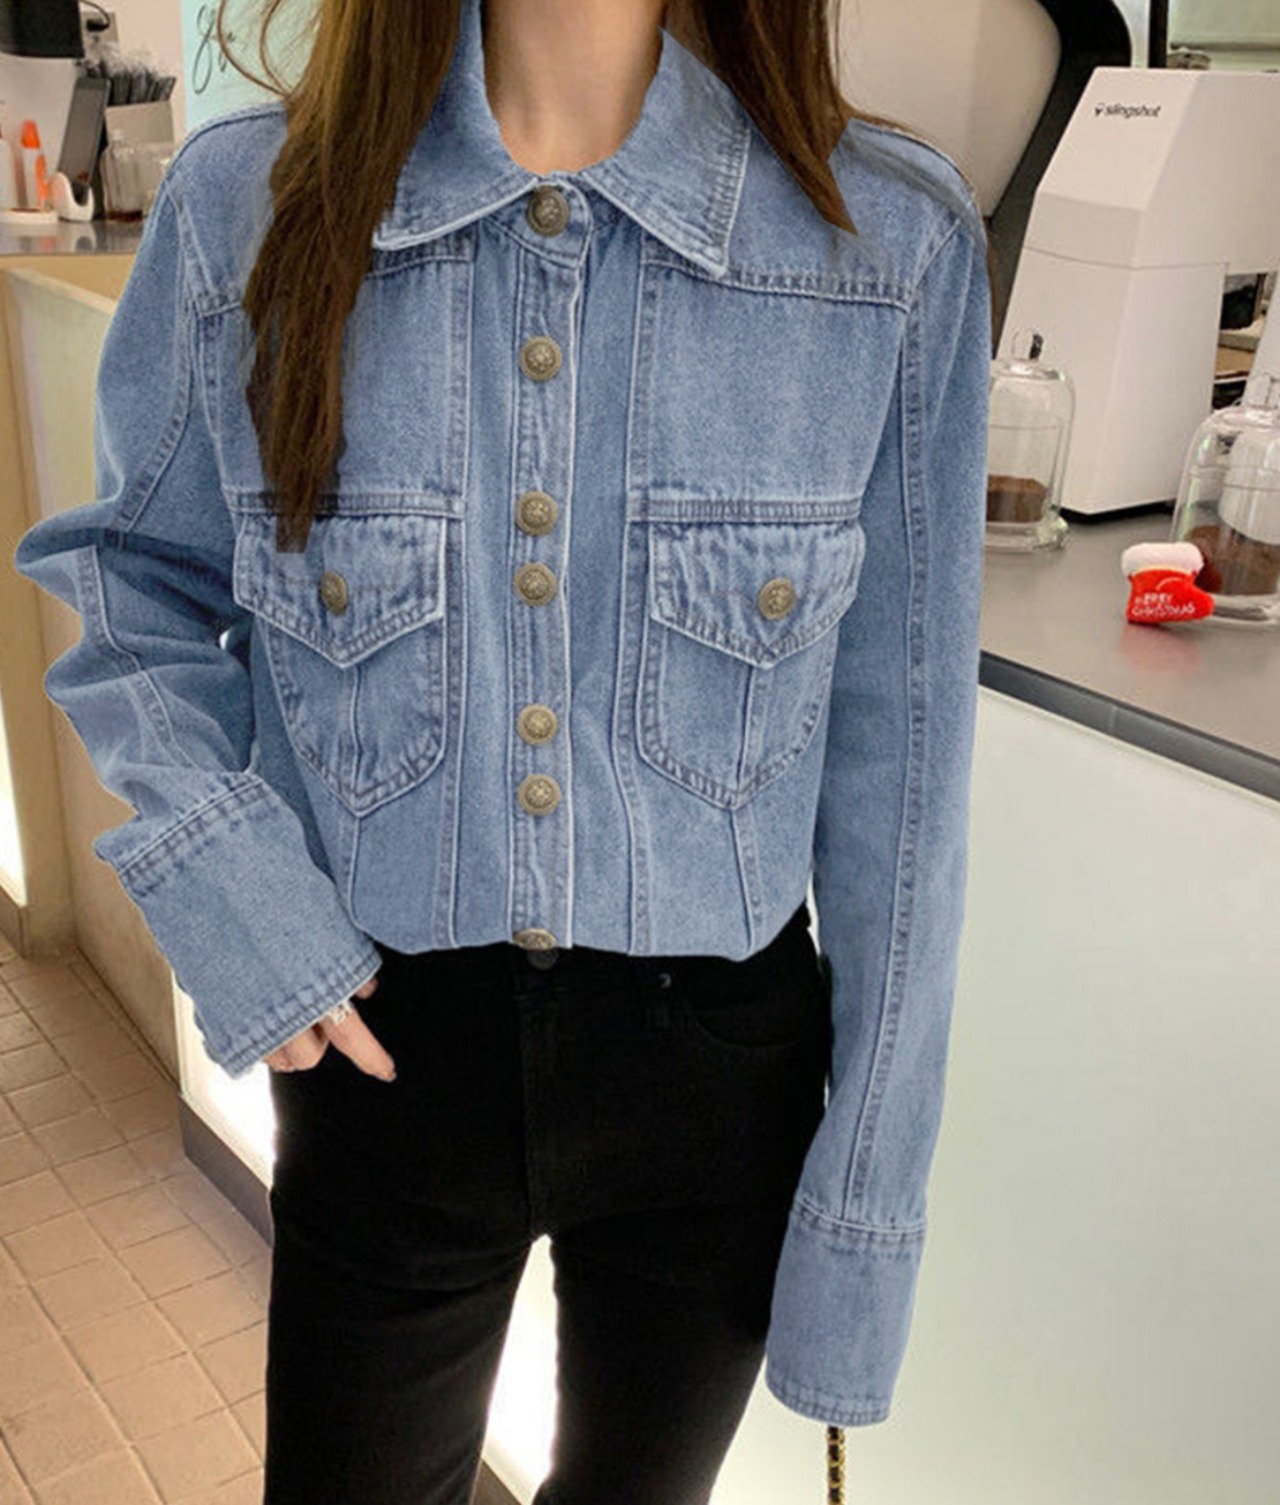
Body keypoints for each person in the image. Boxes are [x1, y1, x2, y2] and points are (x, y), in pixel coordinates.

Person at [11, 0, 993, 1500]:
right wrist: (246, 910)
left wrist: (862, 1206)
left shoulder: (885, 244)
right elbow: (133, 586)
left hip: (718, 1078)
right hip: (386, 1043)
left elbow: (905, 783)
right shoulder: (251, 205)